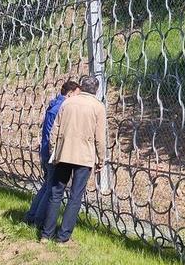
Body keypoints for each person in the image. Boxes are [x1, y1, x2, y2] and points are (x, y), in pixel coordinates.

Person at [41, 75, 106, 244]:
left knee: (56, 194)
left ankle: (46, 235)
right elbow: (100, 138)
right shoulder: (98, 107)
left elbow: (54, 130)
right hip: (84, 158)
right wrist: (101, 159)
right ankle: (63, 237)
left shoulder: (67, 103)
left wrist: (53, 152)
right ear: (96, 89)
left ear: (82, 87)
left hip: (64, 154)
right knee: (75, 197)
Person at [23, 80, 80, 226]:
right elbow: (54, 133)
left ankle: (31, 216)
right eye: (76, 95)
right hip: (52, 153)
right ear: (69, 94)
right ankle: (38, 221)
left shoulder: (53, 105)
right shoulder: (62, 107)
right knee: (51, 189)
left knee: (47, 186)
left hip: (45, 150)